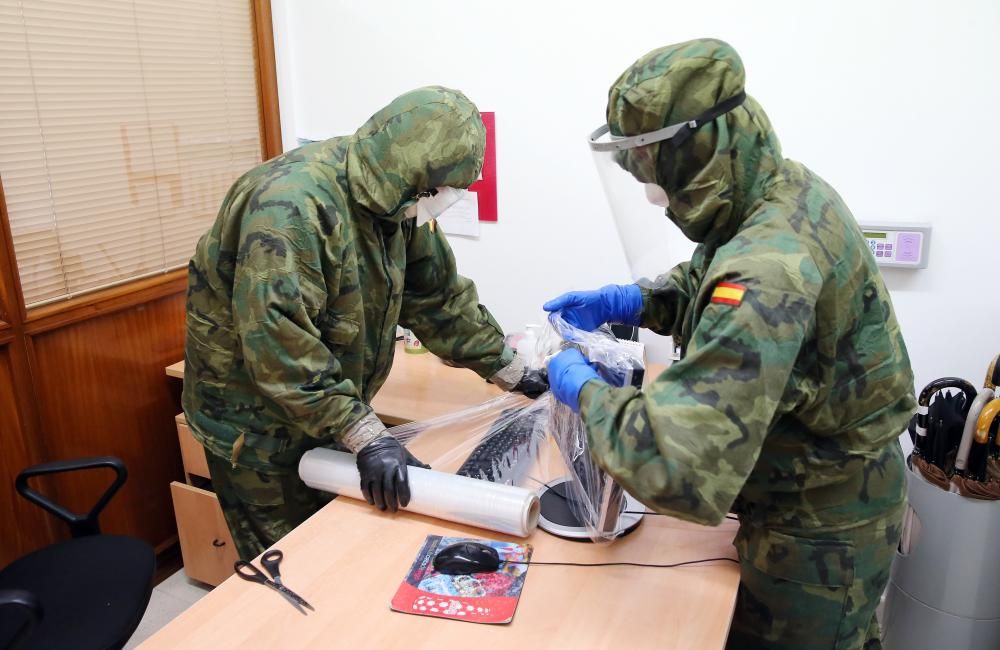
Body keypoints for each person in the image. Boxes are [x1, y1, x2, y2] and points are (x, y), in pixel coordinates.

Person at [543, 39, 914, 650]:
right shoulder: (780, 191)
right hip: (821, 494)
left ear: (700, 153)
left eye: (659, 178)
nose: (653, 198)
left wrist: (583, 391)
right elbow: (711, 277)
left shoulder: (769, 265)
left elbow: (678, 464)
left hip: (818, 531)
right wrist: (634, 300)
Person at [183, 86, 546, 560]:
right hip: (256, 427)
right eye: (445, 190)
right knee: (292, 565)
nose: (447, 201)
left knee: (342, 548)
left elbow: (438, 298)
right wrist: (365, 435)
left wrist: (513, 370)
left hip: (323, 406)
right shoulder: (290, 210)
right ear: (416, 175)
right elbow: (278, 344)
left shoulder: (394, 201)